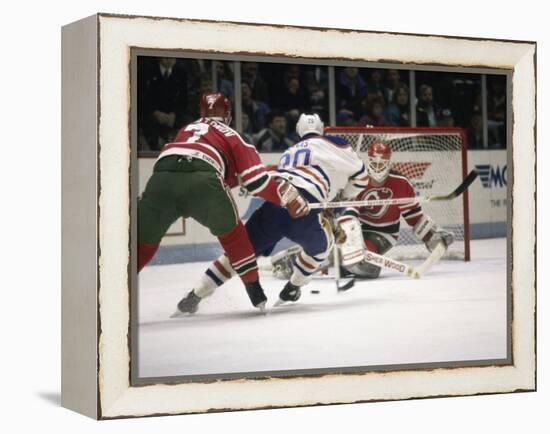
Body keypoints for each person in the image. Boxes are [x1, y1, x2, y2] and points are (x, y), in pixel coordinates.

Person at [174, 113, 369, 313]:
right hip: (305, 208)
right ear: (322, 129)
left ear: (299, 132)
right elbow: (362, 178)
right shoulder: (334, 142)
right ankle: (293, 288)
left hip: (275, 203)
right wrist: (339, 203)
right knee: (321, 249)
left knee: (241, 253)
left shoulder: (289, 151)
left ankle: (194, 295)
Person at [138, 93, 309, 313]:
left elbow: (202, 167)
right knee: (234, 236)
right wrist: (287, 199)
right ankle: (255, 292)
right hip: (205, 181)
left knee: (141, 245)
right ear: (228, 115)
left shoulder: (186, 129)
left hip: (161, 178)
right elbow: (256, 183)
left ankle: (114, 289)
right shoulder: (234, 136)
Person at [336, 140, 454, 279]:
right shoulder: (360, 180)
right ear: (369, 160)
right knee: (344, 249)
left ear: (389, 162)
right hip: (359, 228)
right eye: (374, 163)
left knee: (361, 262)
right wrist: (349, 238)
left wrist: (431, 237)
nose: (378, 167)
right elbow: (350, 211)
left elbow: (414, 217)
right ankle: (347, 264)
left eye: (382, 163)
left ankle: (360, 264)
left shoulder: (400, 183)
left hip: (384, 233)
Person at [138, 57, 188, 150]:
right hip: (151, 113)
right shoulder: (147, 70)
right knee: (145, 122)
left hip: (172, 114)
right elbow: (141, 96)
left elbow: (183, 99)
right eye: (166, 57)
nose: (169, 60)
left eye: (172, 58)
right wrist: (155, 113)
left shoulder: (181, 71)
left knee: (186, 123)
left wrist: (174, 114)